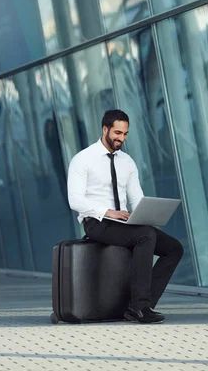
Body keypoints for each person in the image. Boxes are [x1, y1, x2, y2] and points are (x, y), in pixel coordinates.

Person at [67, 109, 184, 324]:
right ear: (105, 129)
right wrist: (107, 212)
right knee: (146, 236)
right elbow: (74, 200)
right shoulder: (83, 159)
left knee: (174, 248)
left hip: (124, 223)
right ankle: (139, 307)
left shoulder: (127, 162)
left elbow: (136, 197)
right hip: (97, 222)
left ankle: (143, 304)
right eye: (117, 133)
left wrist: (147, 212)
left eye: (125, 134)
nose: (121, 138)